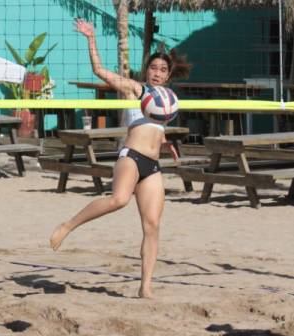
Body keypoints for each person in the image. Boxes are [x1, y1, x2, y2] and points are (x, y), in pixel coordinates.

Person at [49, 19, 190, 299]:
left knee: (152, 225)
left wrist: (166, 143)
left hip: (152, 165)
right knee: (119, 200)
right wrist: (91, 38)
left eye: (162, 69)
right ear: (146, 70)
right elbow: (99, 71)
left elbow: (155, 130)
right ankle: (68, 225)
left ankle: (145, 286)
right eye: (153, 67)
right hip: (131, 156)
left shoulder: (168, 100)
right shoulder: (135, 89)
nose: (157, 73)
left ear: (169, 74)